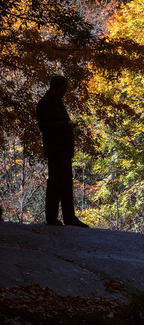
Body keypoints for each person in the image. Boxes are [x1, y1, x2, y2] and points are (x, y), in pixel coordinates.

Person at [36, 75, 89, 227]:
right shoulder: (44, 104)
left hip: (64, 150)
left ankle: (69, 217)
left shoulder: (58, 102)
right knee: (55, 183)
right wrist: (66, 125)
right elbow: (44, 127)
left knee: (66, 183)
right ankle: (52, 218)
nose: (63, 93)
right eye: (62, 90)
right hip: (54, 150)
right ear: (53, 88)